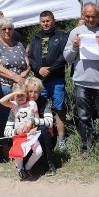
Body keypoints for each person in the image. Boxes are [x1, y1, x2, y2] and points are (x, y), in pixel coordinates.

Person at [63, 2, 99, 156]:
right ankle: (85, 148)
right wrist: (74, 46)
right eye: (88, 16)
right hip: (82, 81)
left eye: (94, 16)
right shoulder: (75, 32)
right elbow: (67, 58)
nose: (91, 19)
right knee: (84, 117)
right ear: (83, 16)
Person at [28, 10, 69, 153]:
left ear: (53, 21)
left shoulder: (62, 36)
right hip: (40, 81)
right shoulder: (36, 38)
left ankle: (61, 139)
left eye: (48, 21)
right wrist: (38, 69)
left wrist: (50, 69)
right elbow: (31, 57)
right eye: (43, 21)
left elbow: (64, 56)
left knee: (59, 109)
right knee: (38, 108)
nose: (45, 23)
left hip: (56, 79)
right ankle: (42, 136)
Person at [2, 77, 57, 177]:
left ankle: (50, 164)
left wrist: (33, 121)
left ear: (40, 92)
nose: (32, 95)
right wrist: (16, 131)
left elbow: (49, 122)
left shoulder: (45, 101)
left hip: (40, 134)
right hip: (21, 136)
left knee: (44, 129)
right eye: (30, 91)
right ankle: (23, 166)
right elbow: (6, 131)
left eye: (36, 92)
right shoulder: (17, 106)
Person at [0, 16, 30, 139]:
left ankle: (21, 143)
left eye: (10, 28)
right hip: (4, 88)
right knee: (4, 117)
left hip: (21, 88)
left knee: (21, 116)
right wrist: (14, 77)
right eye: (4, 29)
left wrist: (25, 73)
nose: (7, 31)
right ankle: (5, 146)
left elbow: (27, 64)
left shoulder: (19, 45)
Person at [0, 82, 43, 179]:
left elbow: (36, 118)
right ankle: (20, 169)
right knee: (18, 153)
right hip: (19, 135)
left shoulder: (32, 104)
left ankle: (27, 168)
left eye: (22, 95)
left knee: (39, 151)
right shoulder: (14, 105)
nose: (20, 97)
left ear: (27, 94)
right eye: (17, 95)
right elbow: (2, 101)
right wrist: (13, 94)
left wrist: (35, 128)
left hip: (31, 135)